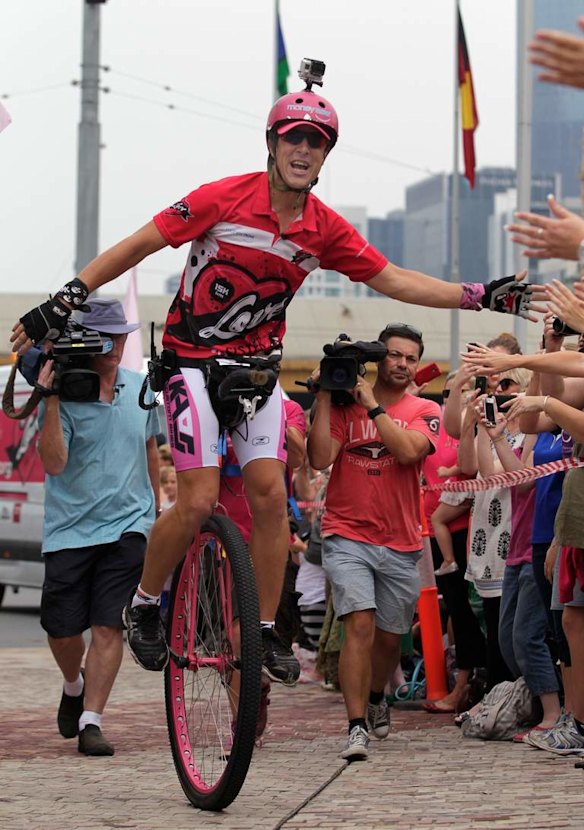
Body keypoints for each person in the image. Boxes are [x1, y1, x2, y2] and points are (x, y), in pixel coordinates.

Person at [10, 68, 543, 687]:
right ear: (271, 143)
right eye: (292, 137)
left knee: (269, 496)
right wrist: (68, 296)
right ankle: (146, 603)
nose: (302, 149)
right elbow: (139, 244)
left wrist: (479, 295)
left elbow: (395, 279)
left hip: (255, 371)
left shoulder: (324, 228)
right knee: (201, 498)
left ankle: (262, 629)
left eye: (316, 142)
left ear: (325, 157)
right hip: (190, 364)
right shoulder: (221, 197)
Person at [307, 322, 440, 761]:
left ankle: (379, 695)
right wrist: (324, 393)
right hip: (346, 533)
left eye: (411, 358)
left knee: (390, 638)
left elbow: (407, 452)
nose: (402, 364)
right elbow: (320, 457)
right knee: (357, 625)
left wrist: (373, 408)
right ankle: (356, 725)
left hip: (401, 541)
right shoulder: (345, 406)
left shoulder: (425, 408)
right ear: (379, 357)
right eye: (395, 355)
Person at [35, 299, 160, 756]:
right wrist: (50, 399)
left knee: (110, 626)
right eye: (105, 335)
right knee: (62, 631)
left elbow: (149, 448)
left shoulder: (141, 387)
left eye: (120, 334)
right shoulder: (65, 394)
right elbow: (54, 462)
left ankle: (92, 720)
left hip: (129, 526)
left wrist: (155, 514)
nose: (114, 343)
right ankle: (73, 685)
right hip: (70, 529)